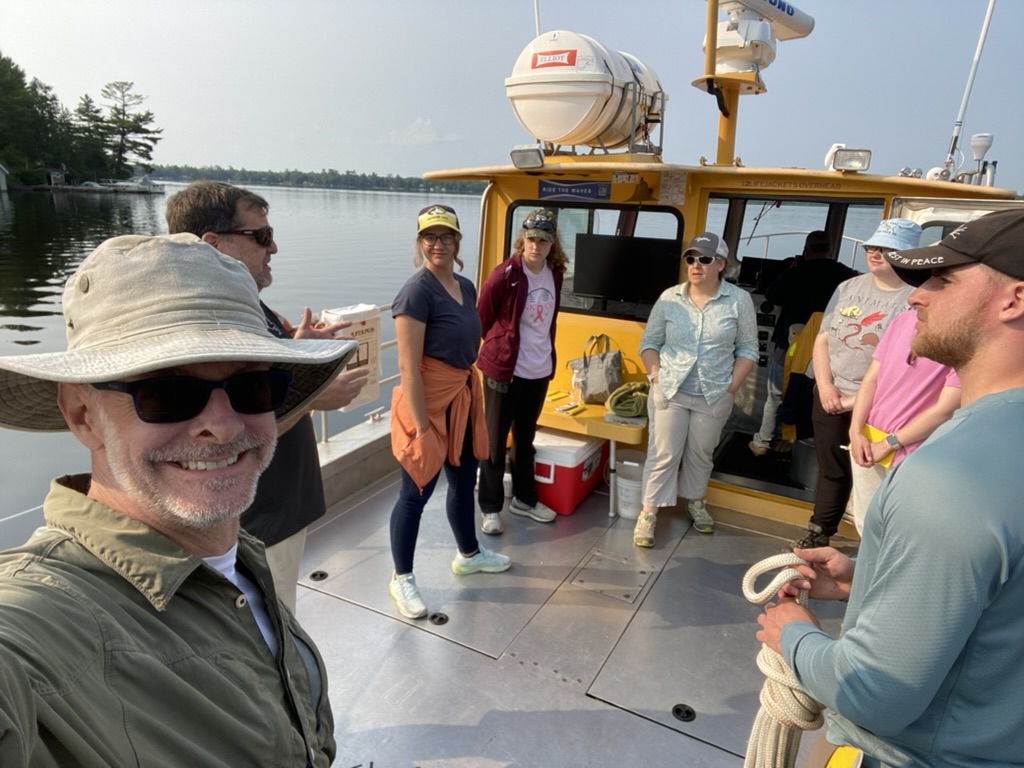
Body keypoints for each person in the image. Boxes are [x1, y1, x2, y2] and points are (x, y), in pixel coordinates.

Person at [0, 234, 354, 765]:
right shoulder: (40, 623)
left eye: (252, 386)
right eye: (166, 393)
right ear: (82, 414)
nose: (223, 426)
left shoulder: (238, 557)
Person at [756, 208, 1024, 767]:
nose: (917, 297)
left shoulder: (952, 476)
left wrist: (792, 635)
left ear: (1014, 300)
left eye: (942, 279)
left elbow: (874, 694)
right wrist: (867, 578)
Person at [166, 181, 369, 612]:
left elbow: (258, 392)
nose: (273, 247)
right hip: (255, 527)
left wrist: (297, 352)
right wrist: (313, 394)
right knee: (270, 630)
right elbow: (224, 430)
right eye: (261, 236)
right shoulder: (209, 326)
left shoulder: (251, 311)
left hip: (278, 515)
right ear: (212, 245)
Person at [388, 204, 510, 619]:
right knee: (415, 494)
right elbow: (408, 368)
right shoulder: (416, 293)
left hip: (461, 397)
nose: (438, 244)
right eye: (430, 236)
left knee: (462, 480)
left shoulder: (465, 286)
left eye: (446, 236)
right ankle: (401, 577)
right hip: (427, 403)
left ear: (458, 241)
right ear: (419, 242)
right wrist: (422, 429)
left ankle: (469, 555)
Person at [791, 219, 920, 549]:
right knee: (831, 467)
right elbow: (822, 339)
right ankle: (820, 531)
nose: (874, 253)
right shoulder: (847, 287)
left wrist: (854, 401)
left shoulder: (917, 297)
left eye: (885, 249)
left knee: (875, 472)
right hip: (830, 395)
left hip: (881, 404)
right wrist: (825, 386)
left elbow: (905, 367)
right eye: (871, 247)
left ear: (907, 254)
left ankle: (875, 543)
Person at [632, 232, 757, 546]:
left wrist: (732, 386)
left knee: (701, 452)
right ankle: (648, 514)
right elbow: (649, 343)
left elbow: (748, 349)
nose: (695, 264)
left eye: (704, 259)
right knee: (663, 453)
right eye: (691, 258)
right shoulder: (669, 297)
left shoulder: (739, 301)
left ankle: (696, 502)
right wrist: (656, 377)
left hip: (714, 394)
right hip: (670, 390)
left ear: (721, 264)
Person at [476, 208, 567, 535]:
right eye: (531, 238)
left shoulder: (555, 274)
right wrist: (500, 353)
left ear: (552, 243)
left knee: (525, 439)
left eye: (543, 240)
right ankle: (490, 507)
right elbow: (482, 318)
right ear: (522, 240)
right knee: (495, 441)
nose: (536, 245)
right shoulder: (504, 274)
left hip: (539, 370)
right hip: (504, 370)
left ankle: (525, 500)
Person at [846, 308, 961, 532]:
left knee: (902, 532)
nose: (914, 296)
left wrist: (890, 442)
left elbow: (946, 409)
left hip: (916, 452)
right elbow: (871, 379)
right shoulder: (902, 319)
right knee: (865, 526)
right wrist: (855, 430)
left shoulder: (963, 333)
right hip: (869, 443)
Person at [749, 231, 858, 456]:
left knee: (776, 393)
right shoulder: (848, 276)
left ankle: (763, 442)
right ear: (831, 251)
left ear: (806, 250)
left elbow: (773, 295)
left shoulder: (796, 273)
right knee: (813, 394)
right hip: (829, 349)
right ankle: (798, 442)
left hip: (790, 344)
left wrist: (790, 270)